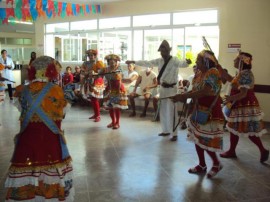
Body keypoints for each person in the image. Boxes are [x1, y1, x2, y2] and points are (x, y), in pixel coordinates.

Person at [5, 56, 74, 201]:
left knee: (24, 166)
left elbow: (21, 109)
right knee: (52, 167)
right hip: (51, 142)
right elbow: (63, 114)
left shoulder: (21, 90)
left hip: (27, 142)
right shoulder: (57, 91)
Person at [171, 50, 224, 178]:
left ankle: (216, 163)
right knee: (197, 138)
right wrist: (188, 102)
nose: (195, 62)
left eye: (198, 60)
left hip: (210, 111)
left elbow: (206, 91)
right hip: (198, 108)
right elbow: (195, 91)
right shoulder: (199, 73)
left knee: (206, 140)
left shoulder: (213, 72)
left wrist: (184, 96)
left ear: (206, 61)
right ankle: (202, 165)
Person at [126, 40, 191, 141]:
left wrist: (187, 62)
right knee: (163, 109)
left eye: (164, 51)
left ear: (168, 51)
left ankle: (174, 133)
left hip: (172, 89)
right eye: (161, 51)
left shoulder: (174, 60)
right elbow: (147, 62)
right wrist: (134, 61)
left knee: (172, 111)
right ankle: (165, 130)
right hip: (163, 89)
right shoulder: (159, 61)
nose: (162, 53)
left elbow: (183, 64)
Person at [220, 52, 269, 162]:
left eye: (236, 59)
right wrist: (219, 68)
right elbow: (230, 79)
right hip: (240, 105)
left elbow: (243, 94)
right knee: (234, 128)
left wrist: (230, 99)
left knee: (247, 129)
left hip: (244, 105)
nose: (234, 61)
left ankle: (262, 150)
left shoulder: (246, 74)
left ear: (242, 62)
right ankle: (232, 150)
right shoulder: (241, 73)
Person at [104, 54, 128, 129]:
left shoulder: (119, 68)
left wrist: (118, 91)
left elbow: (119, 80)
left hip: (118, 89)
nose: (112, 63)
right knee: (110, 107)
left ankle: (117, 123)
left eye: (113, 62)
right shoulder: (106, 69)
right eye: (110, 62)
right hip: (110, 88)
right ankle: (113, 121)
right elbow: (102, 76)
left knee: (116, 107)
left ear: (116, 62)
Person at [81, 49, 106, 122]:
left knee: (95, 99)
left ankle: (98, 115)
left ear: (95, 56)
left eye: (92, 55)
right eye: (89, 55)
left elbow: (102, 71)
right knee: (92, 99)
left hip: (97, 82)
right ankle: (95, 114)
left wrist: (95, 73)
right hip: (89, 81)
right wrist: (85, 73)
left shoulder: (99, 62)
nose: (91, 57)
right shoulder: (86, 63)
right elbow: (82, 70)